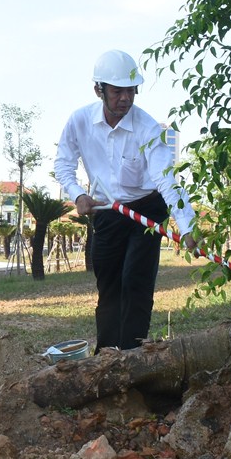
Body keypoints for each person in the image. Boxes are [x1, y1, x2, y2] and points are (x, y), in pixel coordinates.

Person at [54, 49, 198, 352]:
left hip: (147, 209)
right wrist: (77, 194)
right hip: (108, 211)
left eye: (131, 91)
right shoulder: (79, 121)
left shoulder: (148, 129)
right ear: (99, 90)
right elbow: (63, 164)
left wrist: (186, 226)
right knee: (108, 286)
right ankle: (107, 355)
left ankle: (132, 357)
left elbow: (166, 180)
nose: (125, 98)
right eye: (117, 91)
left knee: (136, 280)